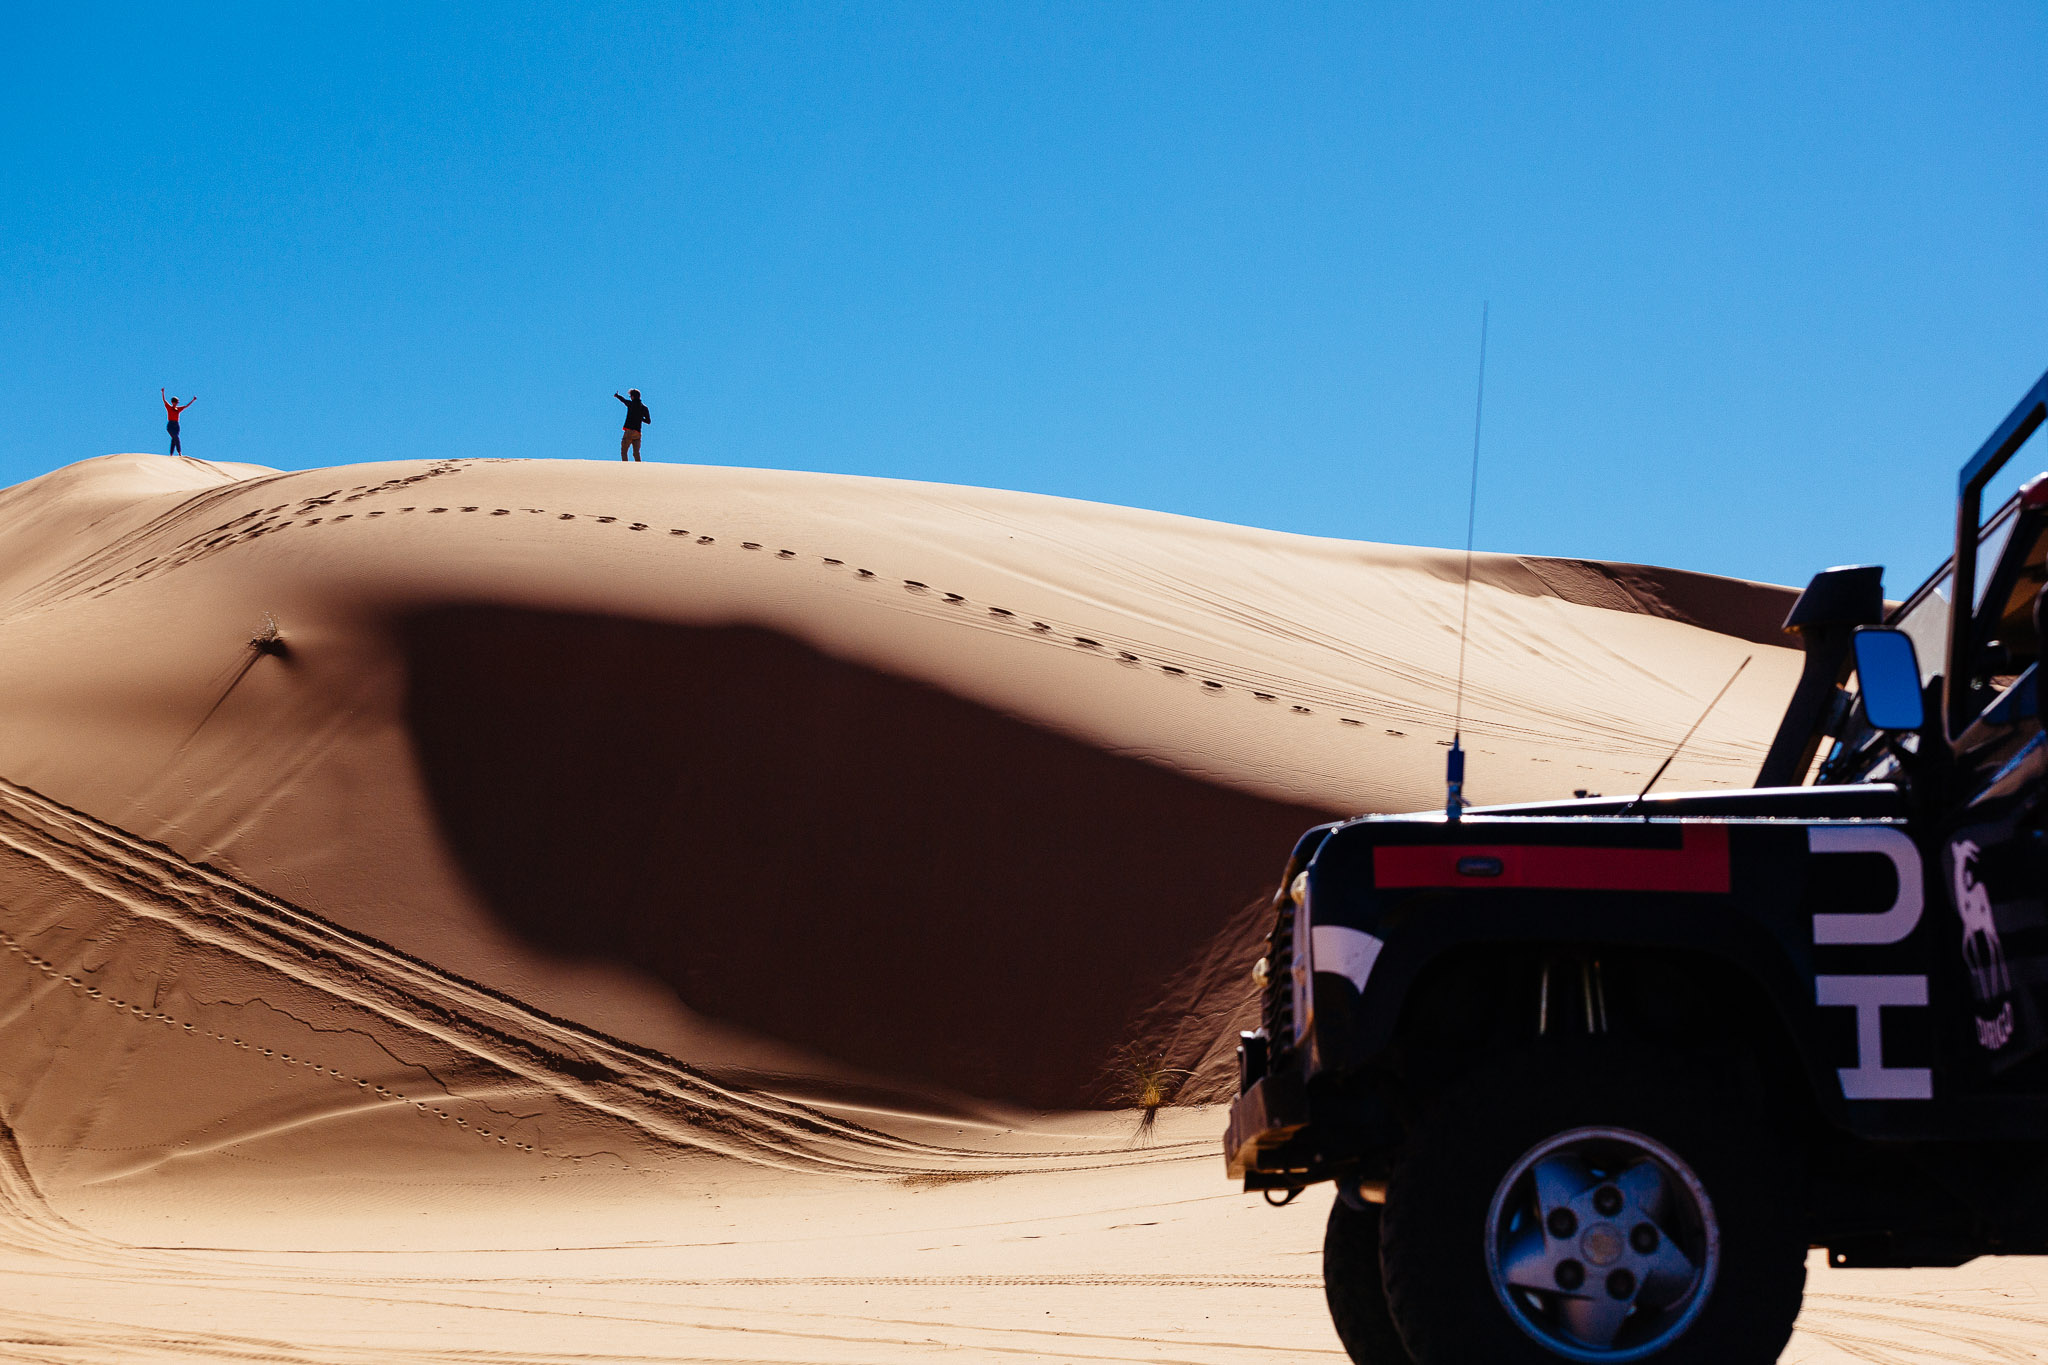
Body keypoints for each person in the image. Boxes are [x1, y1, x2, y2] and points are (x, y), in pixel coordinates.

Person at [615, 389, 650, 461]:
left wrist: (617, 396)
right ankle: (639, 469)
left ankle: (626, 467)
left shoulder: (630, 404)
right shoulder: (644, 408)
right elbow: (648, 421)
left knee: (624, 451)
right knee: (636, 453)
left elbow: (623, 400)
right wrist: (640, 418)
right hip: (638, 433)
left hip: (629, 431)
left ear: (633, 397)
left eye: (630, 396)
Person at [162, 389, 196, 456]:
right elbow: (164, 401)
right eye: (176, 402)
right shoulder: (169, 408)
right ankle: (179, 452)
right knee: (176, 438)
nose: (177, 403)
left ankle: (171, 454)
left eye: (177, 402)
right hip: (170, 425)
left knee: (174, 439)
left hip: (176, 425)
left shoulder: (178, 409)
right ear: (172, 402)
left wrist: (193, 400)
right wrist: (163, 392)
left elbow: (186, 406)